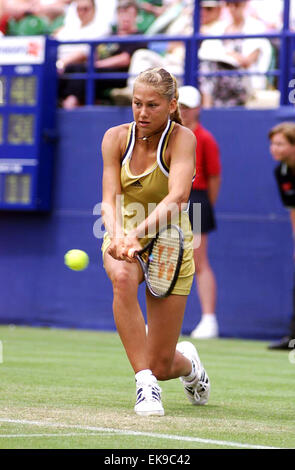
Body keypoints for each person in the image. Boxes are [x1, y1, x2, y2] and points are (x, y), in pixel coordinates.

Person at [100, 67, 210, 416]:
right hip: (124, 232)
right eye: (136, 104)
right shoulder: (115, 138)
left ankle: (189, 366)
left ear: (171, 104)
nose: (142, 113)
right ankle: (145, 384)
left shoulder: (183, 139)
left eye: (152, 105)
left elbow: (178, 196)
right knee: (121, 278)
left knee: (164, 364)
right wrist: (118, 234)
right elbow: (109, 197)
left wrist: (137, 234)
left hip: (171, 242)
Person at [178, 85, 221, 339]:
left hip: (196, 199)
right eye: (180, 106)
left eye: (188, 107)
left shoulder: (204, 138)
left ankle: (208, 319)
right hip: (172, 199)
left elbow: (214, 176)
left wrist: (204, 205)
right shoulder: (170, 135)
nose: (183, 111)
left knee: (199, 262)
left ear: (198, 109)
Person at [267, 122, 295, 350]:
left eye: (279, 144)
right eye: (272, 144)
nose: (273, 148)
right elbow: (293, 209)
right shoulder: (281, 172)